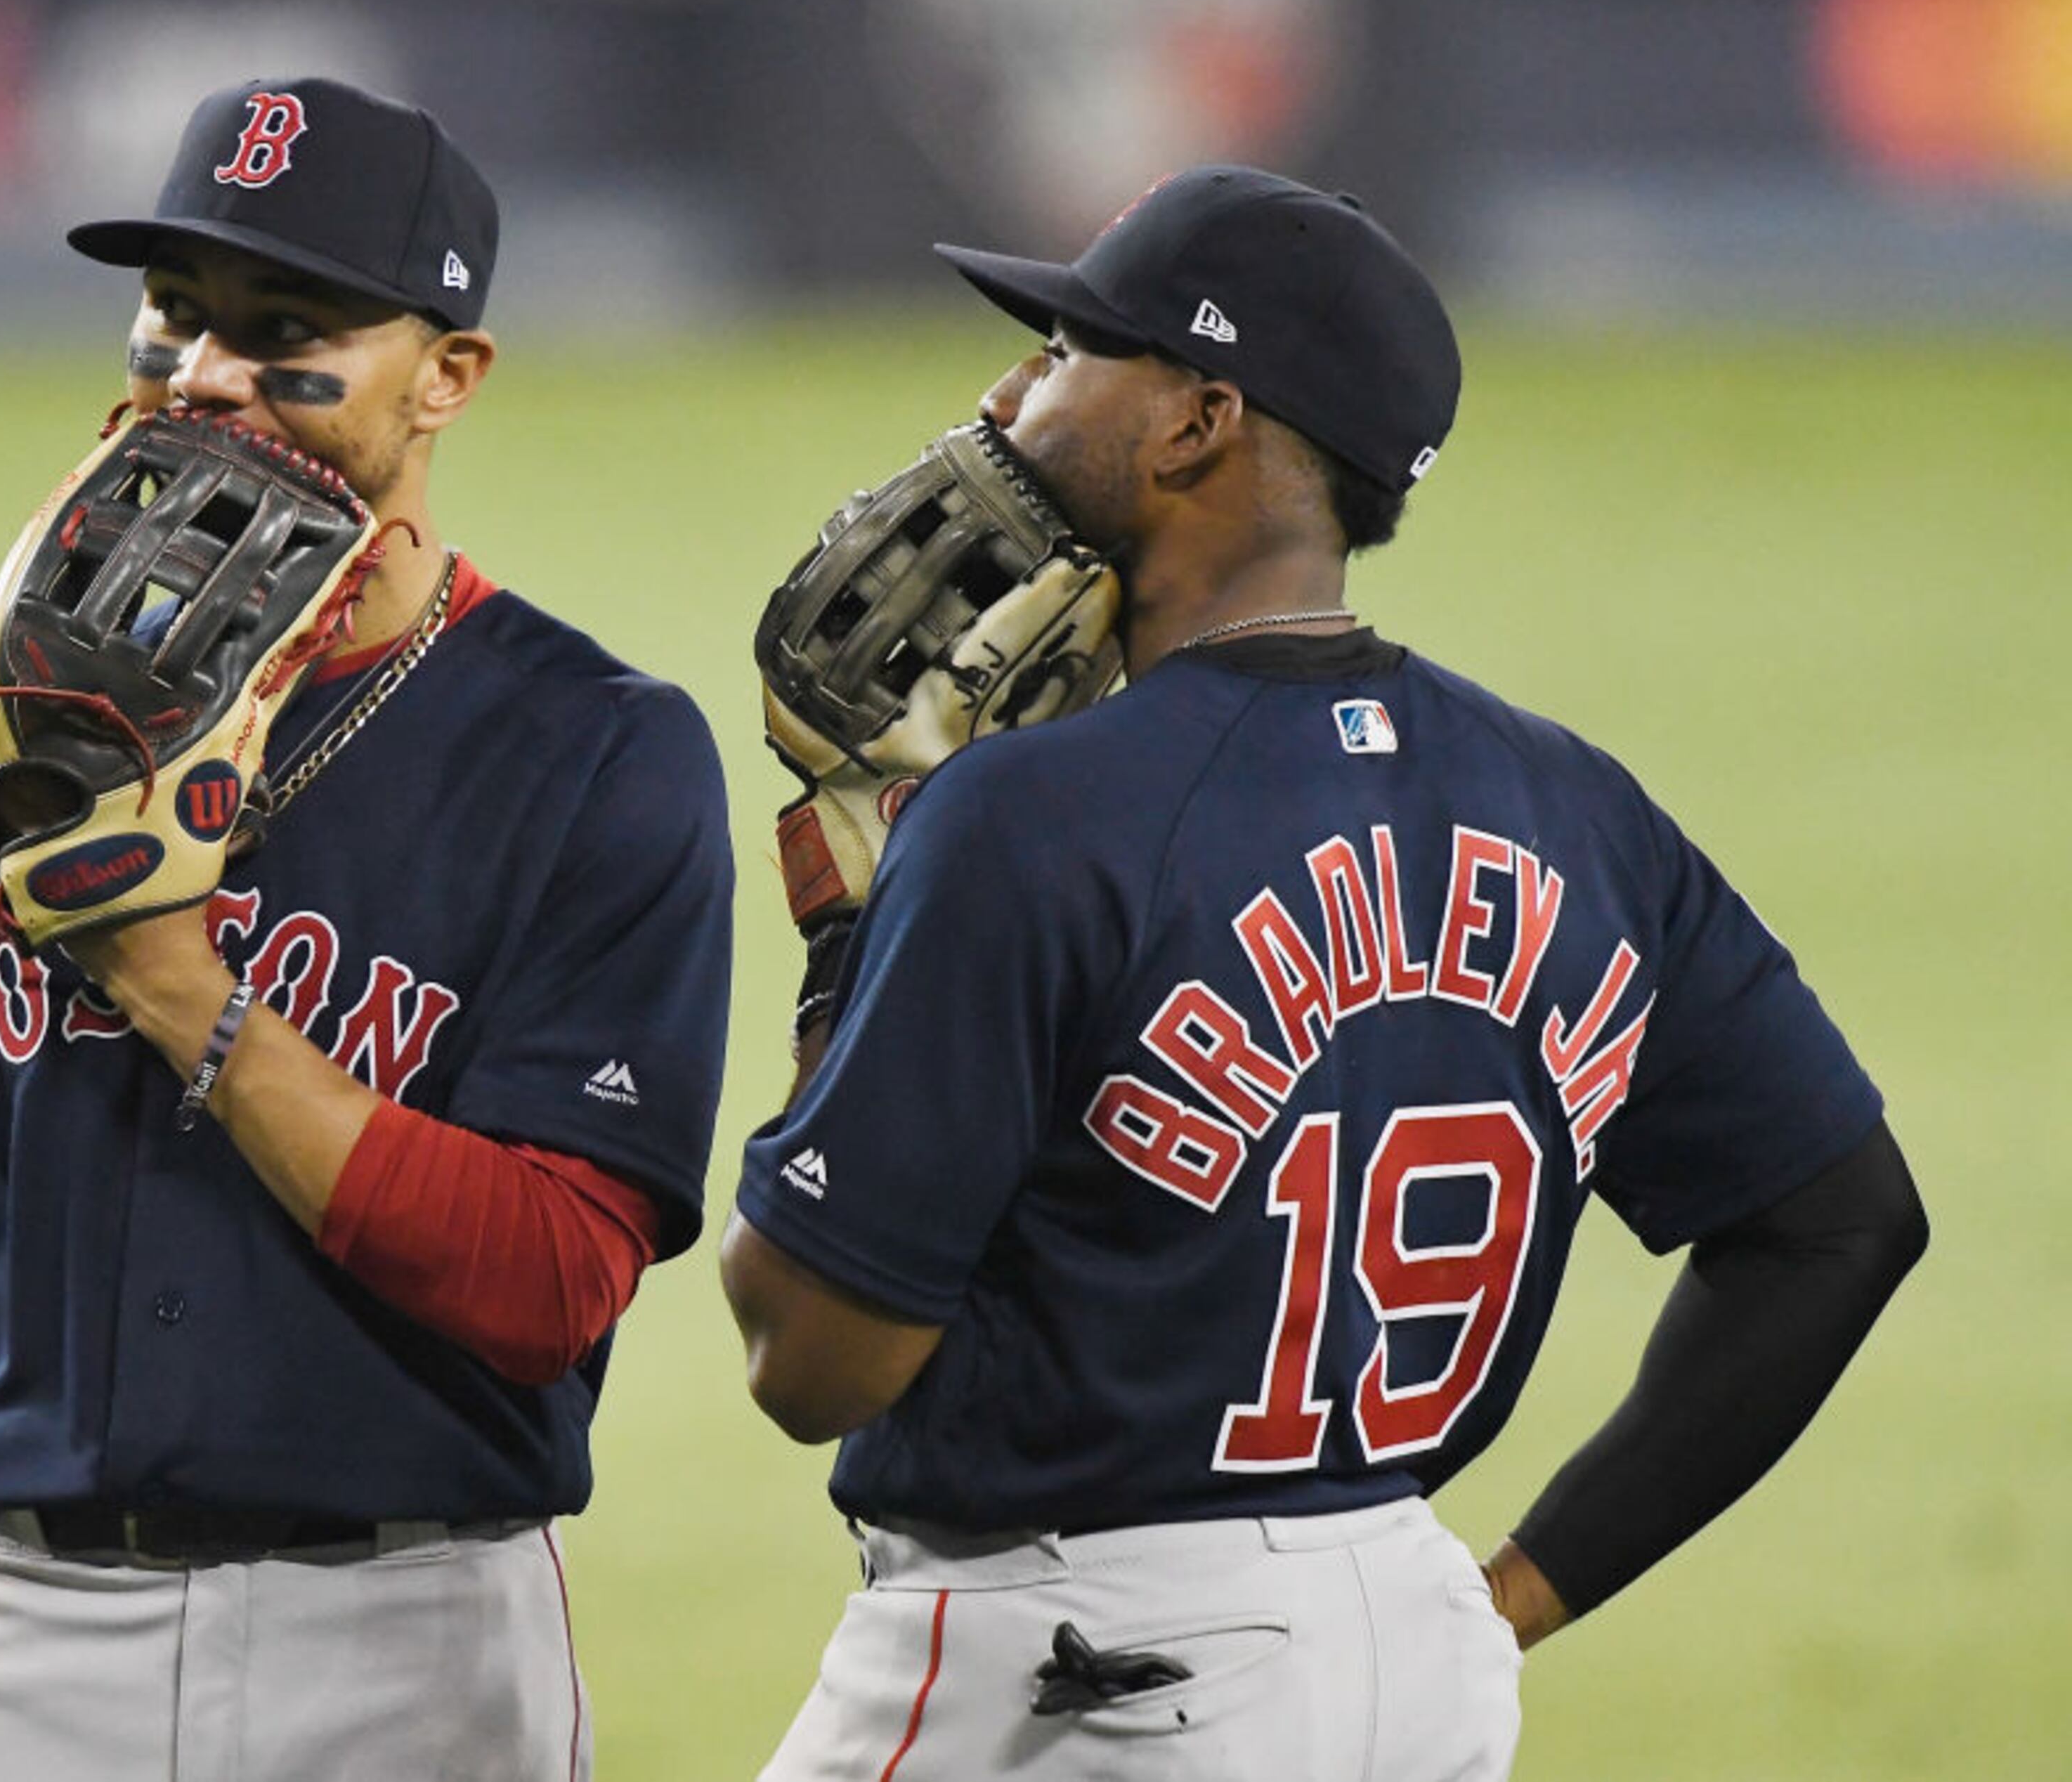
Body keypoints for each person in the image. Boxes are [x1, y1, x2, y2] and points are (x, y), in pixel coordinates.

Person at [721, 167, 1927, 1780]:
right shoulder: (1573, 808)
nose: (1014, 393)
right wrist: (1502, 1599)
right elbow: (1842, 1222)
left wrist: (850, 945)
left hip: (1070, 1675)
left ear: (1195, 425)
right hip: (1407, 1661)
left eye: (1076, 348)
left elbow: (811, 1357)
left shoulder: (1029, 816)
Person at [0, 76, 733, 1782]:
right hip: (6, 1645)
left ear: (449, 376)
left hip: (407, 1648)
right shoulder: (3, 745)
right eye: (178, 316)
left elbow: (551, 1279)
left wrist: (182, 990)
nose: (207, 374)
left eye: (290, 329)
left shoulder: (597, 756)